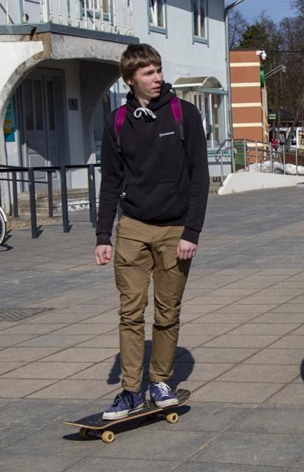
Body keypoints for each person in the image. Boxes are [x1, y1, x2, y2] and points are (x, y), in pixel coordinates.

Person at [95, 43, 209, 420]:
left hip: (174, 229)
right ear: (130, 79)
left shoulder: (183, 114)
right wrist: (103, 236)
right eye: (149, 72)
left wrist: (192, 231)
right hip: (132, 228)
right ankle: (130, 391)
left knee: (166, 311)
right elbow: (110, 182)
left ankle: (160, 381)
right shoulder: (116, 122)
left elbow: (200, 178)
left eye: (158, 69)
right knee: (130, 312)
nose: (158, 77)